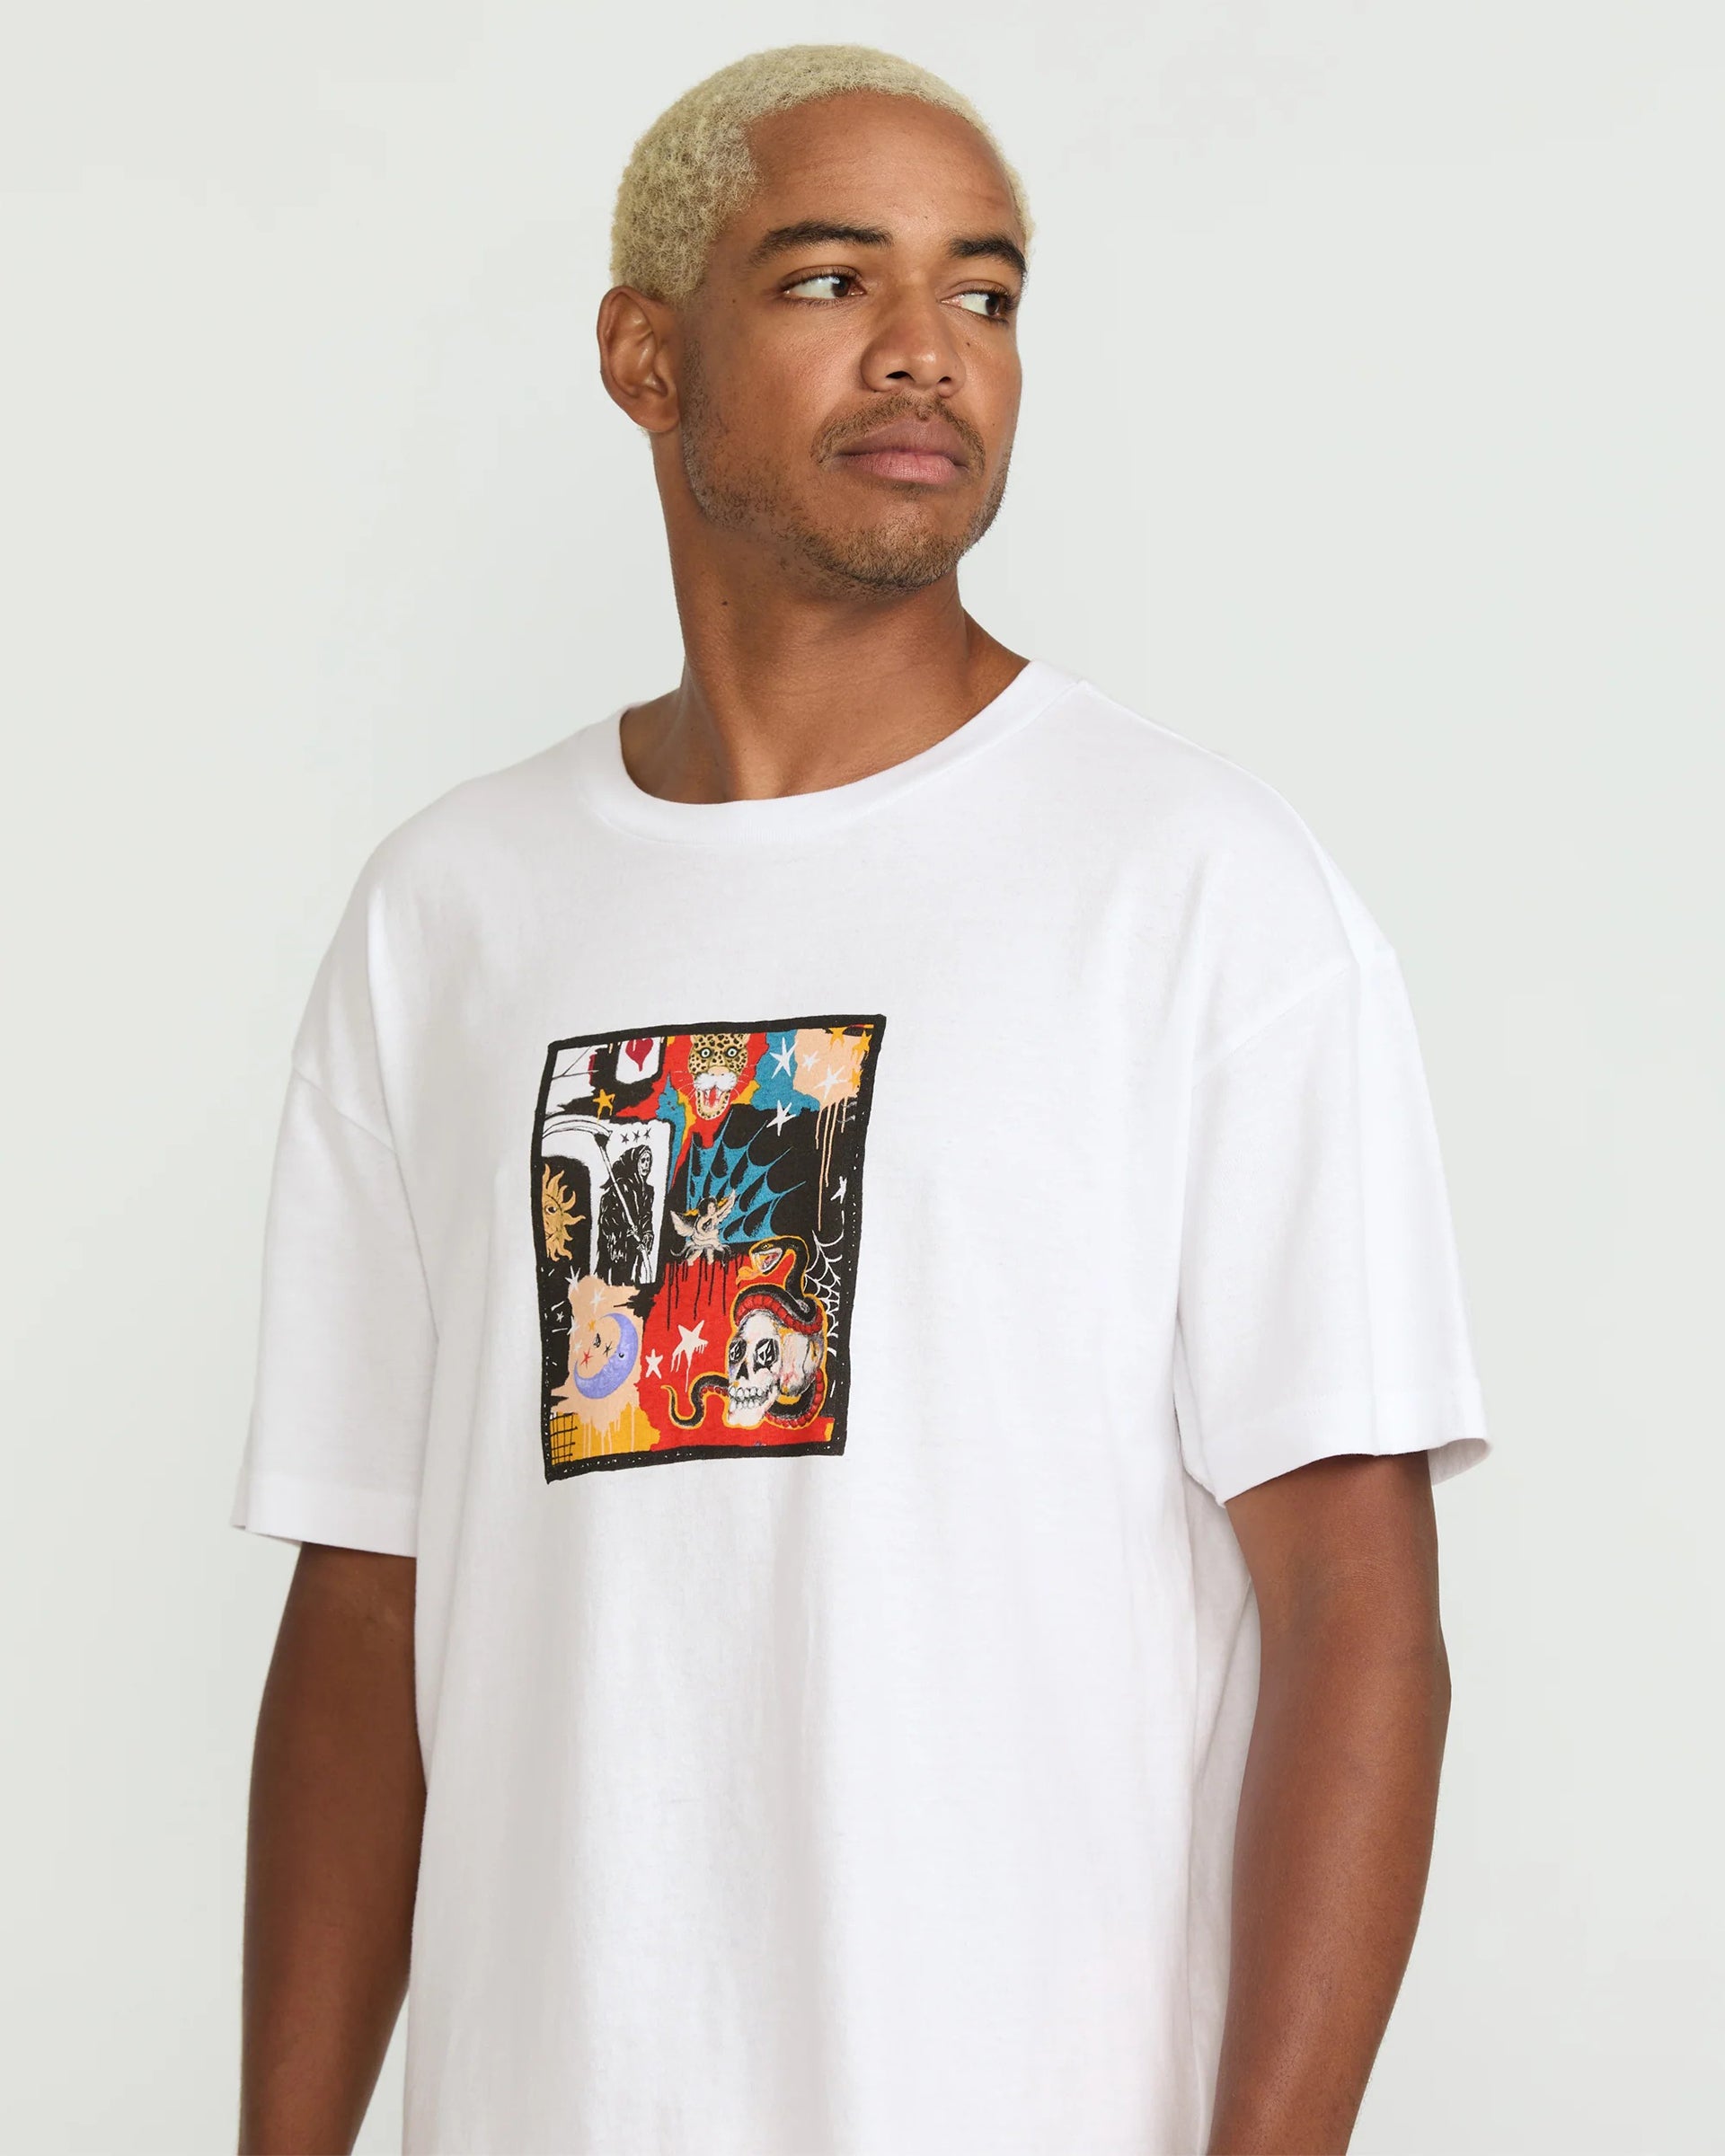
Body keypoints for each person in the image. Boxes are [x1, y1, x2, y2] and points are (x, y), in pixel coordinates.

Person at [230, 43, 1491, 2156]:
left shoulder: (1194, 888)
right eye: (833, 280)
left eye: (984, 293)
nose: (929, 350)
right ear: (647, 354)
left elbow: (1355, 1611)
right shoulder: (448, 916)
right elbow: (365, 1612)